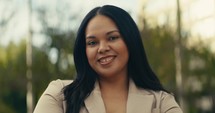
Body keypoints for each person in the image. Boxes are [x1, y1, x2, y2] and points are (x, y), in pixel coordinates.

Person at [33, 5, 183, 113]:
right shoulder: (59, 95)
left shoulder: (162, 102)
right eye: (92, 43)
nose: (102, 48)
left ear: (130, 41)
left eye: (112, 38)